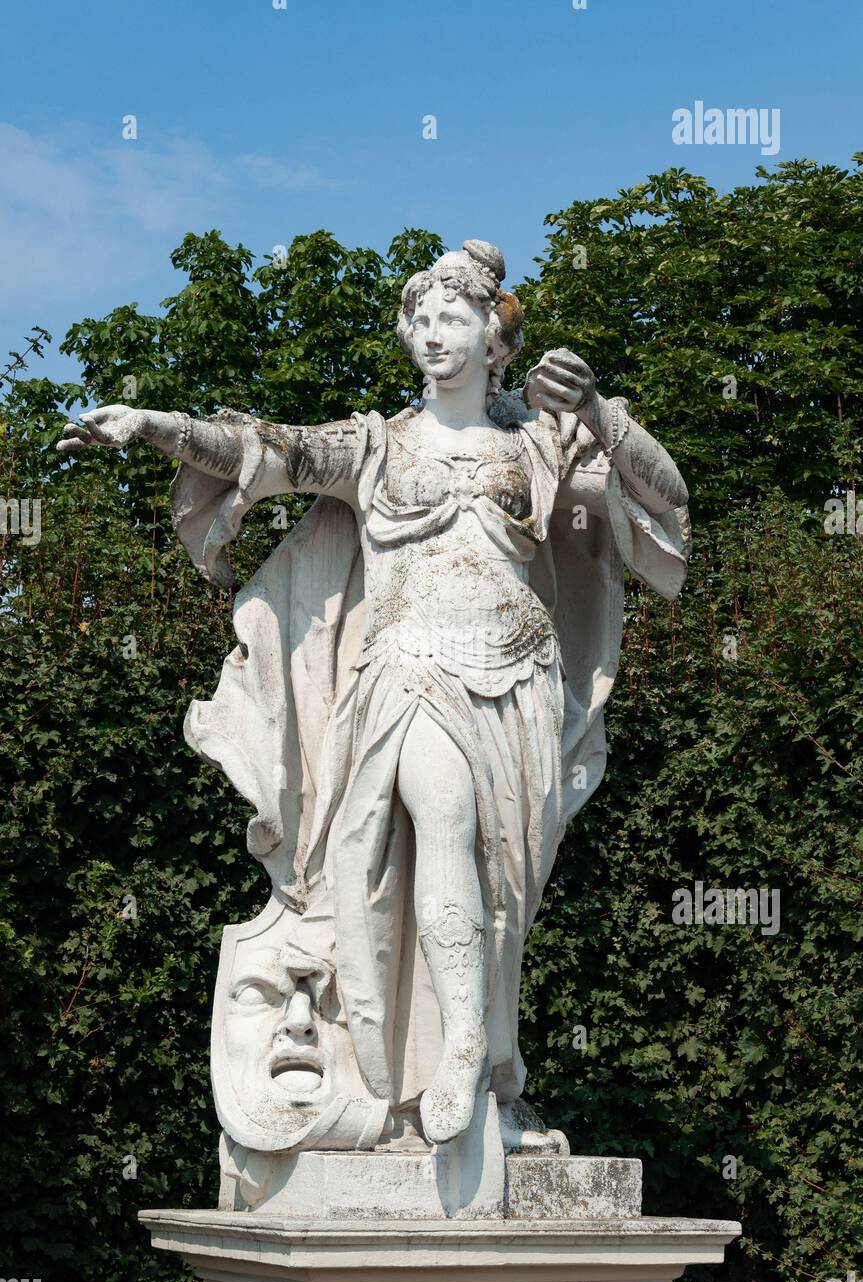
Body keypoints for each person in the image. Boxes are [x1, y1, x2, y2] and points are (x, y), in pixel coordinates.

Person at [58, 239, 690, 1147]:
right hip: (407, 672)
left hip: (517, 679)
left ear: (493, 336)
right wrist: (156, 424)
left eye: (452, 318)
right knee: (441, 817)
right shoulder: (375, 446)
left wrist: (598, 410)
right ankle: (463, 1047)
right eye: (420, 320)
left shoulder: (541, 440)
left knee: (502, 892)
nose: (432, 335)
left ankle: (486, 1070)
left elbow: (666, 502)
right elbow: (265, 449)